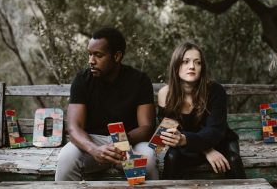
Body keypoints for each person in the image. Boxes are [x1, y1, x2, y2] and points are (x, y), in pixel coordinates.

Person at [55, 27, 159, 181]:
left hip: (129, 142)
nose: (91, 61)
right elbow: (74, 127)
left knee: (148, 158)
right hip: (92, 143)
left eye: (98, 55)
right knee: (66, 158)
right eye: (90, 54)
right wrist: (95, 150)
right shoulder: (82, 80)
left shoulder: (139, 81)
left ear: (117, 56)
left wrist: (121, 143)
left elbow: (146, 127)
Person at [157, 41, 246, 179]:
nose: (192, 66)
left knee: (233, 161)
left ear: (202, 68)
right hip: (185, 145)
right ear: (176, 65)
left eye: (197, 62)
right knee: (171, 158)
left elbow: (215, 131)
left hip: (219, 142)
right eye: (185, 61)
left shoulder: (216, 90)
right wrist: (204, 150)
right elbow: (171, 133)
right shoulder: (165, 94)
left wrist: (208, 149)